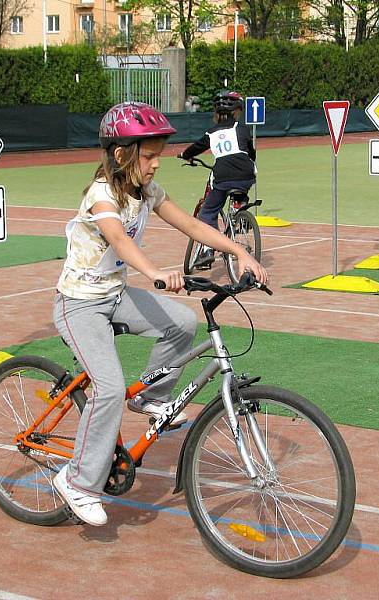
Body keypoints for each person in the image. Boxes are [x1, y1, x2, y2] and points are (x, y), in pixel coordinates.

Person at [51, 101, 268, 526]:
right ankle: (77, 482)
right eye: (149, 156)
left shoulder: (147, 192)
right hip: (78, 303)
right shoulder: (101, 195)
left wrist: (239, 250)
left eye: (158, 156)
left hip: (113, 295)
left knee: (183, 323)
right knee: (110, 389)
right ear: (122, 154)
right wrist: (154, 272)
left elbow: (191, 225)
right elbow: (119, 239)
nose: (155, 164)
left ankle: (152, 398)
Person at [179, 90, 257, 267]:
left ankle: (208, 248)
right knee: (243, 182)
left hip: (222, 175)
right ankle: (240, 206)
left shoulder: (211, 132)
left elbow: (196, 148)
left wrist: (185, 154)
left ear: (216, 113)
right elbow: (251, 152)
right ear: (237, 112)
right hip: (245, 174)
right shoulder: (242, 129)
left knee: (207, 213)